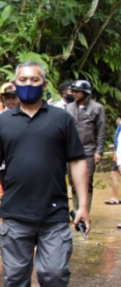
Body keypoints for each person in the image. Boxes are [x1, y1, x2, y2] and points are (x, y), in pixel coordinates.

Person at [0, 61, 90, 287]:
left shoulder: (60, 119)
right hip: (15, 213)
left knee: (54, 273)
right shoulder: (3, 121)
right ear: (14, 83)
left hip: (53, 214)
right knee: (15, 275)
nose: (28, 83)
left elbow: (77, 161)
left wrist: (83, 205)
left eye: (34, 79)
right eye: (23, 79)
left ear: (44, 83)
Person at [63, 79, 105, 213]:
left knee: (87, 182)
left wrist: (99, 151)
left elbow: (101, 131)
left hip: (88, 150)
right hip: (71, 150)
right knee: (73, 182)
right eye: (73, 91)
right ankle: (76, 210)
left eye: (77, 92)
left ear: (86, 93)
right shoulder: (69, 107)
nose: (74, 94)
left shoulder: (97, 108)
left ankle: (84, 211)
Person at [0, 82, 19, 200]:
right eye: (8, 98)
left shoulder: (25, 113)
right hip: (4, 157)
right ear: (3, 99)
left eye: (13, 98)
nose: (11, 101)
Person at [107, 116, 121, 205]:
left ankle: (115, 197)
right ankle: (115, 197)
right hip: (117, 153)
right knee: (114, 174)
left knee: (114, 174)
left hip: (119, 154)